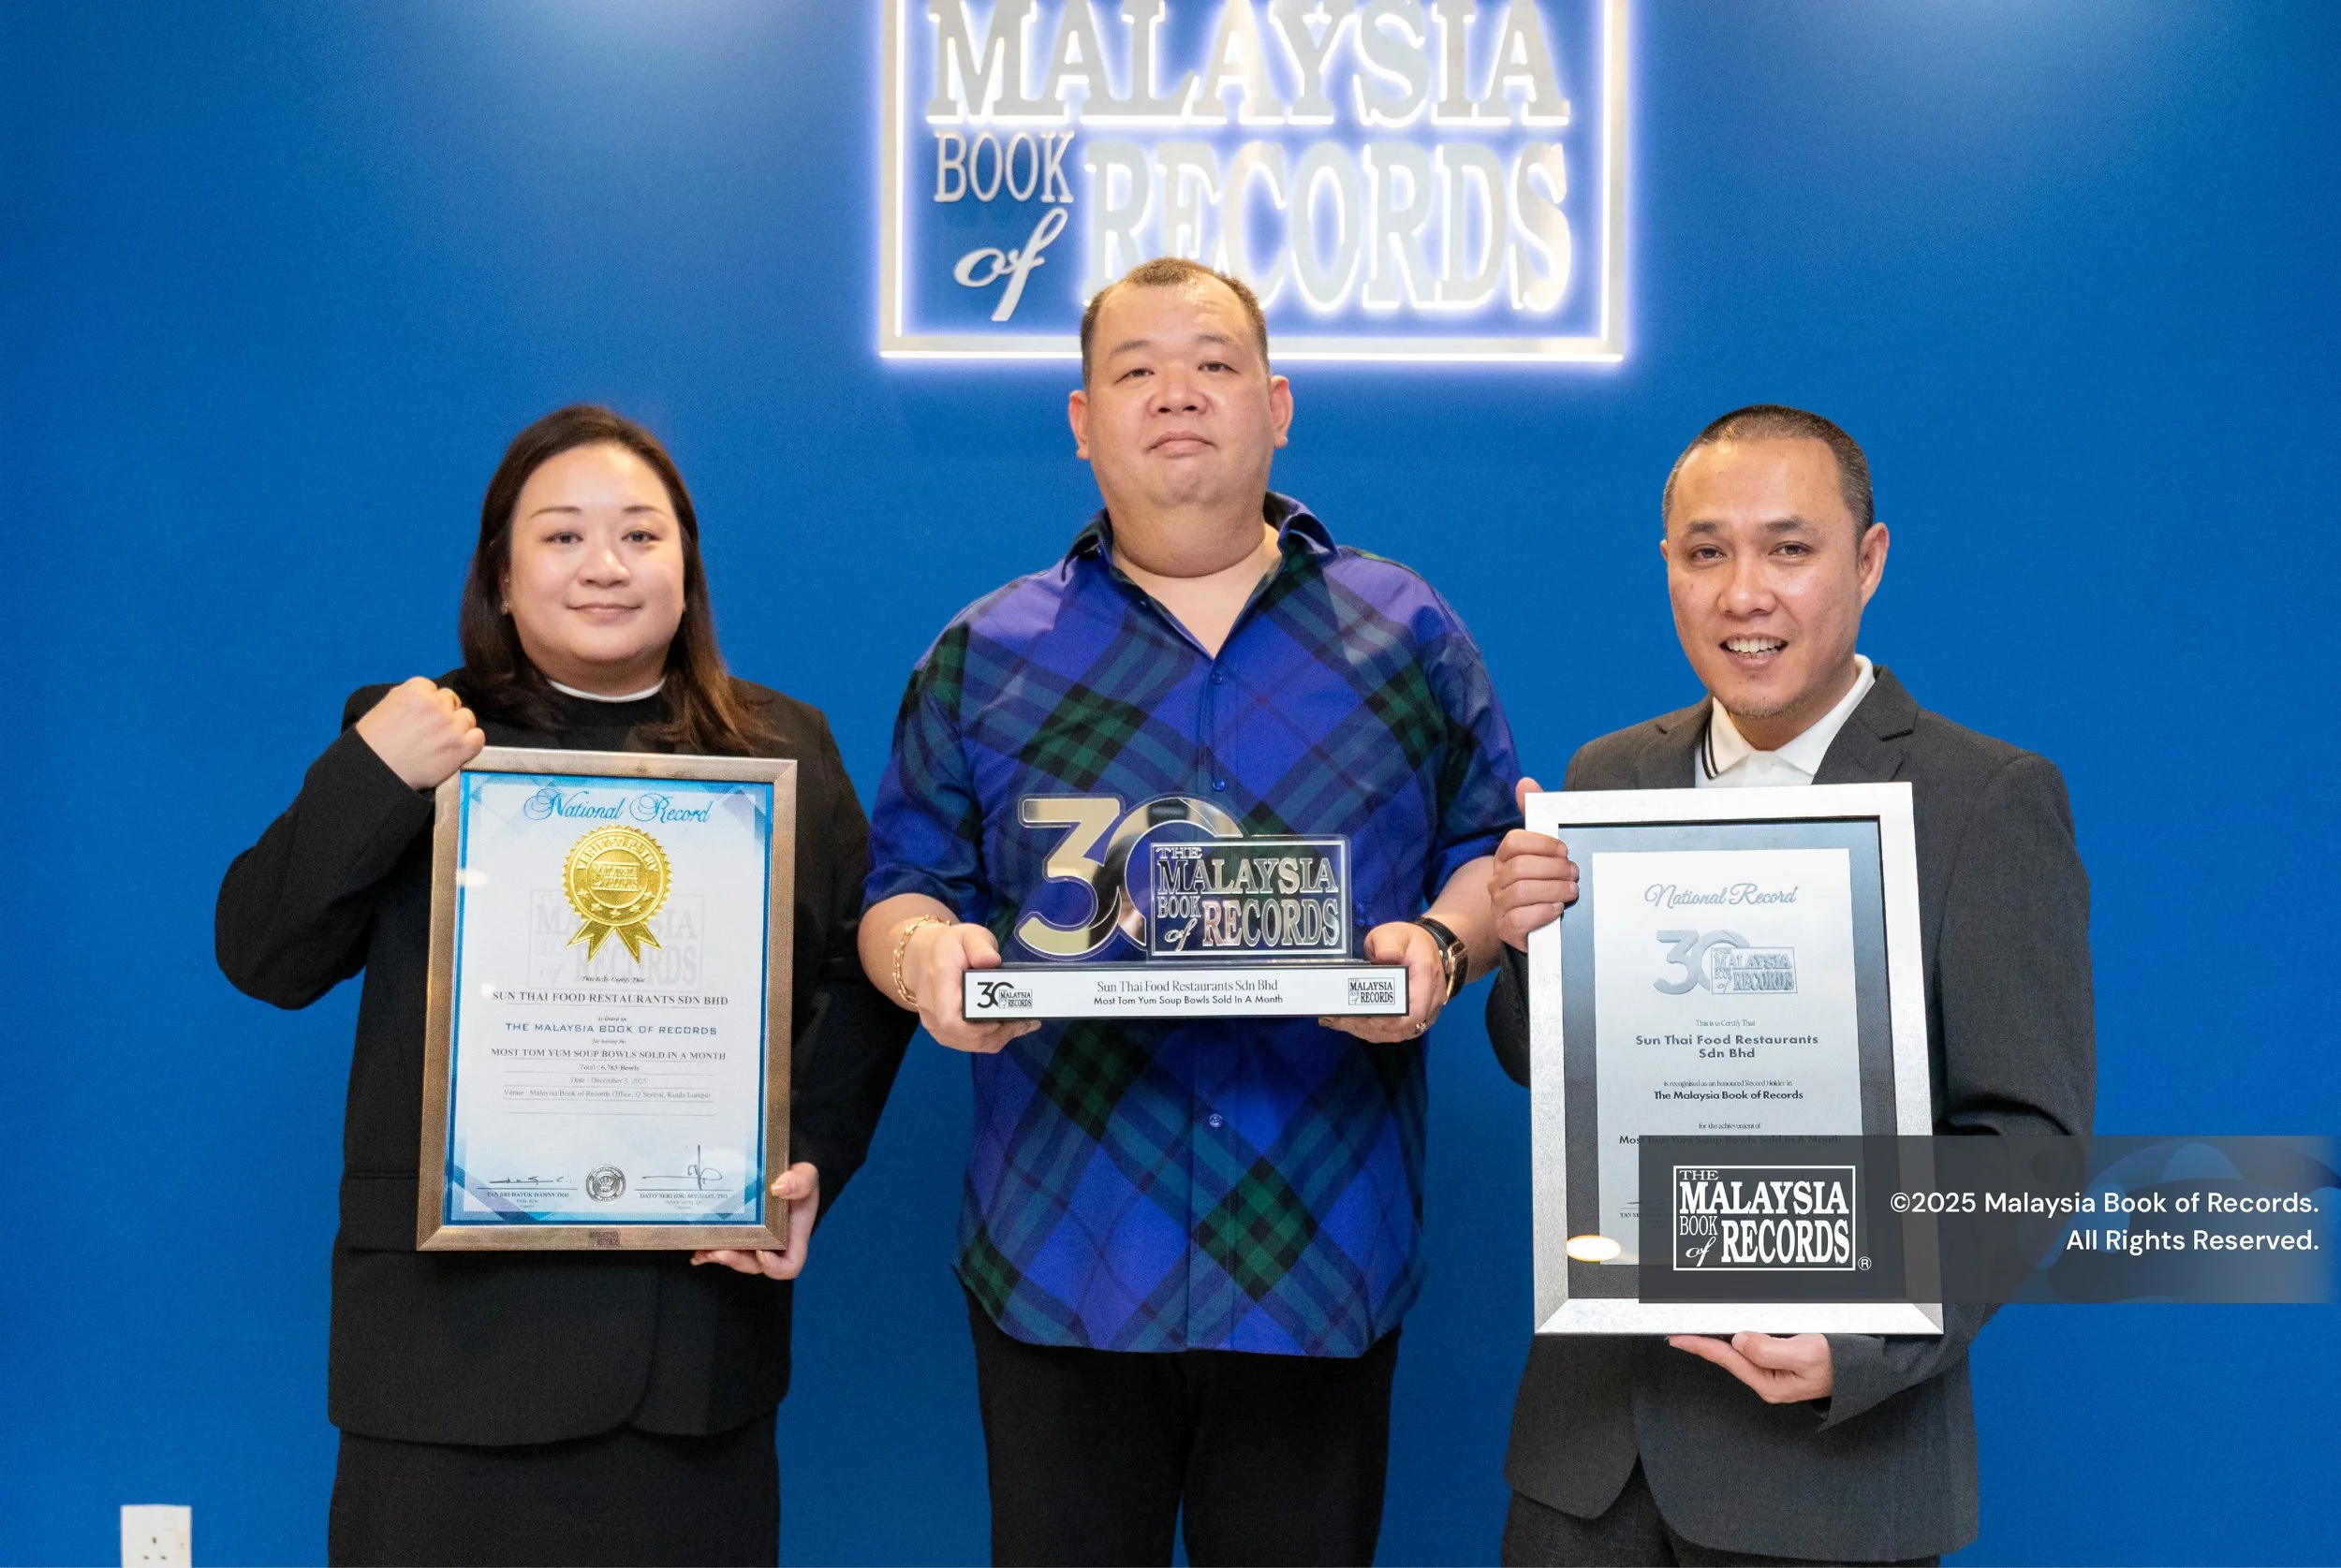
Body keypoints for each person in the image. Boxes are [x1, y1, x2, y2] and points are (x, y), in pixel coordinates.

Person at [861, 257, 1520, 1566]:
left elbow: (1492, 849)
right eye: (1136, 369)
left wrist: (1442, 943)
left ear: (1276, 405)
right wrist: (930, 956)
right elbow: (900, 890)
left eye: (1215, 365)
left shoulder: (1407, 631)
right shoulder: (982, 653)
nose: (1178, 394)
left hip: (1320, 1246)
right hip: (1061, 1249)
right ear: (1081, 417)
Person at [215, 405, 912, 1567]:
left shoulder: (783, 752)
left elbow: (853, 977)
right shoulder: (411, 733)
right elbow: (263, 956)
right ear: (499, 575)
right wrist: (373, 773)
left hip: (691, 1360)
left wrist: (809, 1164)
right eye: (562, 537)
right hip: (442, 1370)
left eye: (641, 536)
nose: (604, 566)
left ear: (686, 573)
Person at [1484, 404, 2096, 1565]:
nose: (1742, 594)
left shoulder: (1986, 800)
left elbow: (2027, 1145)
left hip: (1830, 1474)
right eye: (1705, 552)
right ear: (1667, 565)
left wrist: (1864, 1343)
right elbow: (1546, 1069)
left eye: (1789, 548)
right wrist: (1526, 944)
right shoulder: (1608, 777)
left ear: (1866, 561)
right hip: (1585, 1472)